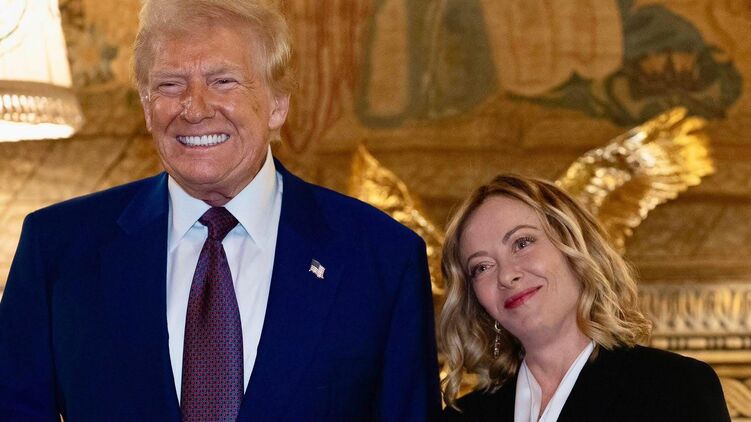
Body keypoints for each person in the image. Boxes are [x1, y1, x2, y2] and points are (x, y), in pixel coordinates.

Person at [0, 1, 441, 420]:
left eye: (223, 81)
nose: (194, 108)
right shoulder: (58, 249)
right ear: (147, 108)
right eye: (169, 85)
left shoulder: (381, 258)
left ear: (277, 104)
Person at [439, 174, 730, 422]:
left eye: (522, 243)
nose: (506, 275)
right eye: (482, 267)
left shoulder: (674, 386)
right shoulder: (462, 417)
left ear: (574, 246)